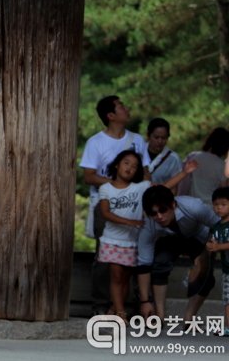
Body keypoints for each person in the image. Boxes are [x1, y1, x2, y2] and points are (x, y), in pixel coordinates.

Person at [98, 150, 196, 322]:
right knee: (116, 276)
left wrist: (184, 173)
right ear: (117, 164)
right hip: (112, 240)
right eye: (126, 163)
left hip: (132, 241)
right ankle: (120, 315)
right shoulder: (105, 188)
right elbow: (105, 212)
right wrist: (130, 222)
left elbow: (163, 188)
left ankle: (114, 309)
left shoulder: (141, 187)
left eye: (135, 166)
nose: (130, 168)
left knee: (126, 278)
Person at [79, 95, 150, 314]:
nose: (126, 108)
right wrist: (117, 184)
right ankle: (100, 305)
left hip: (135, 204)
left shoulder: (137, 140)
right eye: (121, 106)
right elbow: (89, 176)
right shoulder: (96, 142)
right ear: (110, 116)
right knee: (104, 256)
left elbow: (146, 172)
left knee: (132, 255)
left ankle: (119, 305)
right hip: (106, 202)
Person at [137, 185, 219, 322]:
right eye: (154, 213)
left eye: (163, 210)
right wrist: (145, 301)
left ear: (173, 205)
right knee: (159, 263)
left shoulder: (194, 207)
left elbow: (219, 226)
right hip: (170, 240)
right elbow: (143, 264)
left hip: (200, 237)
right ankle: (160, 315)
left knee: (206, 275)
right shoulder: (148, 225)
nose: (159, 216)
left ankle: (189, 316)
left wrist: (204, 255)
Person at [178, 127, 229, 207]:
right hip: (211, 208)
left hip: (191, 205)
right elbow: (224, 190)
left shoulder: (193, 156)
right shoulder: (222, 166)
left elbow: (183, 183)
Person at [205, 187, 229, 337]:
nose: (219, 208)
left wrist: (219, 246)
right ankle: (227, 326)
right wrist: (211, 246)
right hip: (227, 270)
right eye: (216, 204)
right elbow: (212, 243)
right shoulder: (216, 227)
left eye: (223, 204)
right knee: (227, 299)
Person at [145, 118, 183, 186]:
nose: (160, 141)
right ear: (148, 135)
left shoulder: (174, 159)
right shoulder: (137, 152)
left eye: (163, 138)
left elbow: (177, 186)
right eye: (156, 137)